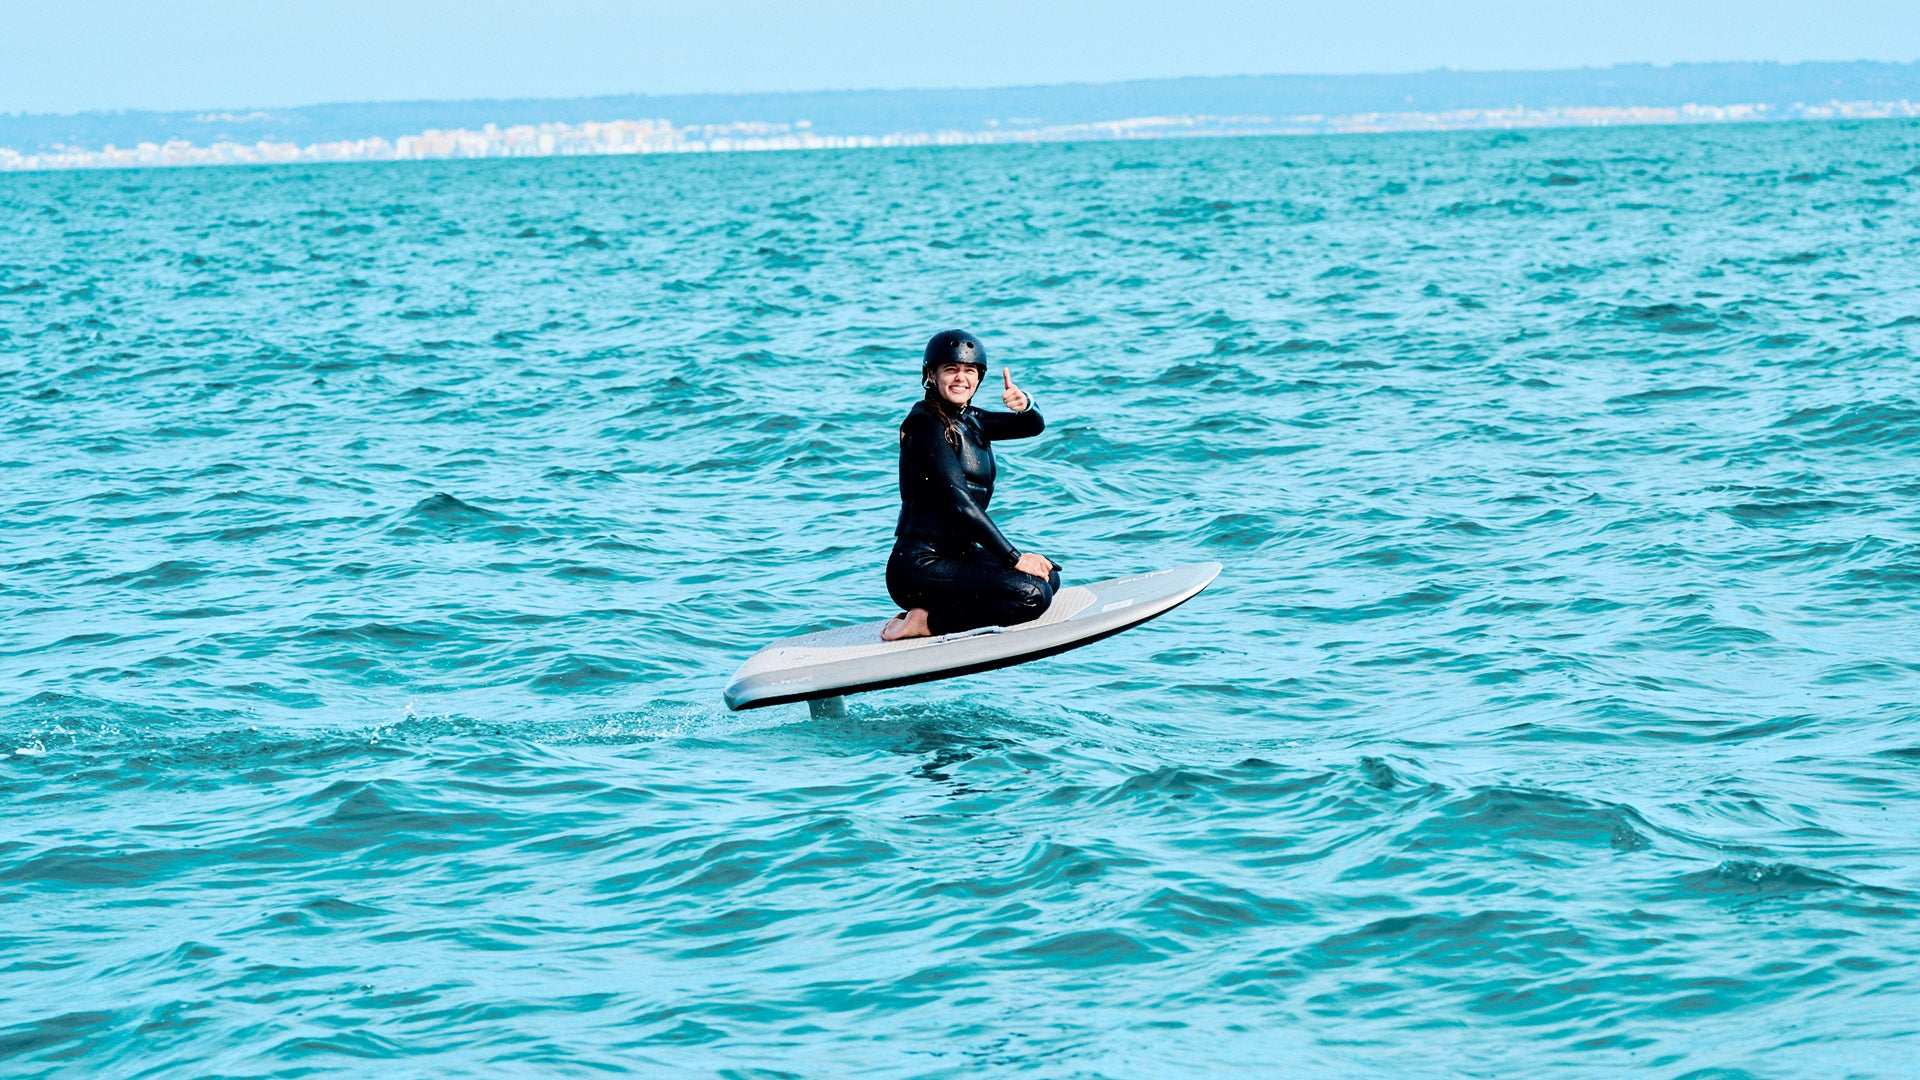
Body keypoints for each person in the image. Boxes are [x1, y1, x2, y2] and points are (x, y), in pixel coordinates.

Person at [881, 329, 1061, 641]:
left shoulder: (970, 418)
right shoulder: (926, 425)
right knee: (1033, 595)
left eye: (969, 371)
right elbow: (960, 503)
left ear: (979, 378)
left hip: (958, 558)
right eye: (950, 370)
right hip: (920, 565)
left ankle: (932, 611)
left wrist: (1026, 403)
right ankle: (927, 623)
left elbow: (1031, 426)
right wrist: (1016, 557)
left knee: (1049, 578)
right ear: (931, 375)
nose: (960, 378)